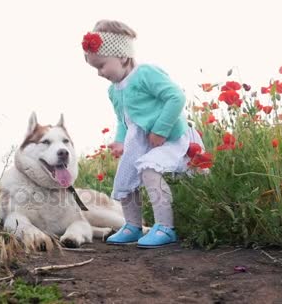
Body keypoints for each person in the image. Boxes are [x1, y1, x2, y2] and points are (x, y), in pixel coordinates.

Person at [81, 19, 205, 248]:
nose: (99, 73)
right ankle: (132, 225)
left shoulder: (145, 73)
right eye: (95, 68)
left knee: (149, 170)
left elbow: (175, 97)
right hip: (141, 142)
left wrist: (161, 129)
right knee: (125, 179)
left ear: (123, 57)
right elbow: (123, 119)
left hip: (169, 138)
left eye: (101, 66)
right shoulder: (114, 90)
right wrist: (120, 141)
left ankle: (165, 227)